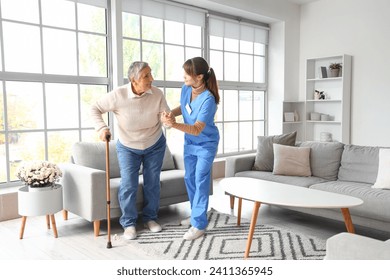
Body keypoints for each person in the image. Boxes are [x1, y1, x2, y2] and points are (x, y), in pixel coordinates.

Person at [90, 61, 170, 240]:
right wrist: (101, 128)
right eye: (146, 76)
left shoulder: (157, 93)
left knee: (152, 182)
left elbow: (166, 115)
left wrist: (167, 120)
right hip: (128, 147)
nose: (151, 79)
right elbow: (94, 108)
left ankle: (150, 218)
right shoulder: (118, 95)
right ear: (133, 80)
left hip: (155, 144)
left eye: (151, 74)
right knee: (128, 184)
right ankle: (129, 223)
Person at [161, 57, 220, 241]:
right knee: (189, 178)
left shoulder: (208, 100)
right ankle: (196, 215)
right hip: (190, 144)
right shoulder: (186, 88)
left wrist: (173, 124)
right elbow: (184, 107)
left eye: (188, 74)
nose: (184, 76)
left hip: (205, 145)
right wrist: (173, 113)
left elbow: (196, 128)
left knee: (201, 180)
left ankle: (199, 225)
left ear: (200, 77)